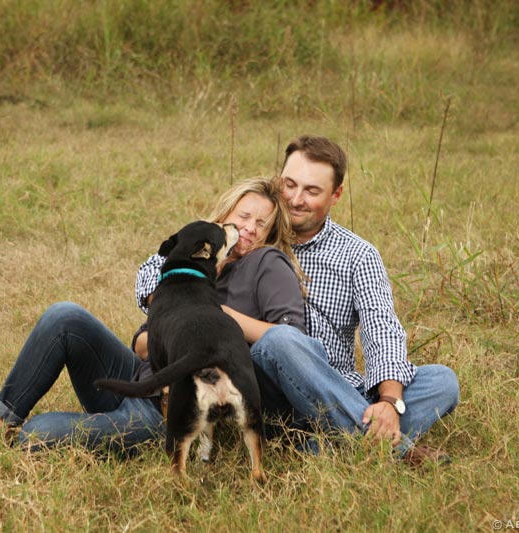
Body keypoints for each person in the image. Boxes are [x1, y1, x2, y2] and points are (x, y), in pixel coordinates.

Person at [136, 136, 460, 466]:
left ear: (336, 195)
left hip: (340, 384)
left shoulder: (357, 254)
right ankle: (395, 451)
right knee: (282, 340)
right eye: (289, 185)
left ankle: (328, 444)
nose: (295, 199)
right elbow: (158, 267)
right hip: (271, 386)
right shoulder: (250, 235)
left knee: (442, 380)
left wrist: (389, 401)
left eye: (312, 191)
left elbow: (383, 329)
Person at [0, 177, 306, 451]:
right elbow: (142, 340)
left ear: (269, 234)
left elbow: (289, 340)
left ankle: (109, 431)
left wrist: (217, 316)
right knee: (64, 316)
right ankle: (1, 422)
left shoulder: (267, 264)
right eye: (244, 216)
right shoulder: (195, 261)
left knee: (37, 434)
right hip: (139, 375)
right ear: (225, 214)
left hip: (165, 408)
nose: (249, 228)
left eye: (261, 224)